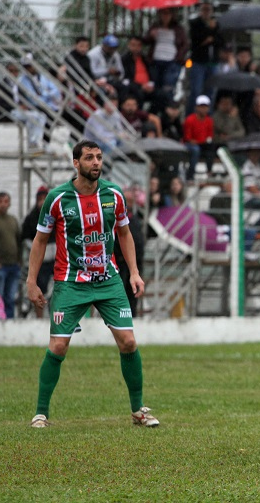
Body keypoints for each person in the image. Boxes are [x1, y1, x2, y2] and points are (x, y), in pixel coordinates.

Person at [26, 140, 159, 428]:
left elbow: (124, 234)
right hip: (70, 282)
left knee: (129, 342)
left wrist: (134, 272)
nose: (96, 162)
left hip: (108, 280)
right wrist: (31, 281)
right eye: (89, 158)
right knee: (58, 347)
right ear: (76, 163)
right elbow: (40, 240)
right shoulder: (58, 198)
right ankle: (40, 412)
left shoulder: (114, 195)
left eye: (99, 157)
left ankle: (138, 411)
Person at [0, 192, 21, 319]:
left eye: (6, 201)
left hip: (13, 266)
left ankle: (10, 324)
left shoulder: (13, 220)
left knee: (10, 298)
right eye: (0, 201)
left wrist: (19, 260)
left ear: (9, 203)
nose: (3, 204)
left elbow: (18, 240)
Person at [22, 186, 55, 318]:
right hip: (41, 261)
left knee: (57, 290)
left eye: (45, 199)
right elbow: (26, 238)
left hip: (56, 259)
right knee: (40, 289)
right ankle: (39, 317)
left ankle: (56, 317)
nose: (42, 202)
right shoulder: (31, 218)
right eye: (40, 199)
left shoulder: (56, 217)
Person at [143, 8, 189, 100]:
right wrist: (151, 36)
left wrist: (179, 57)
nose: (165, 16)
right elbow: (145, 41)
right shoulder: (155, 27)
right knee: (155, 85)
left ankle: (167, 107)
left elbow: (185, 44)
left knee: (168, 86)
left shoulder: (178, 28)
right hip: (156, 60)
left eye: (168, 14)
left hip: (171, 61)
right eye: (163, 14)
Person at [113, 185, 145, 317]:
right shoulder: (117, 219)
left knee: (132, 293)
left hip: (134, 264)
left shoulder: (135, 218)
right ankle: (118, 319)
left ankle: (132, 317)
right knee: (120, 294)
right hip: (120, 262)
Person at [187, 2, 221, 115]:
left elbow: (220, 41)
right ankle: (192, 117)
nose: (206, 12)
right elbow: (197, 40)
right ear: (200, 10)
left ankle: (207, 118)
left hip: (213, 63)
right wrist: (210, 31)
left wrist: (210, 37)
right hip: (198, 62)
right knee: (196, 91)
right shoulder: (195, 23)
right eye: (204, 9)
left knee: (211, 92)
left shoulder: (216, 24)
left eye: (208, 9)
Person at [183, 95, 215, 180]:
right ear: (196, 107)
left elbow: (210, 136)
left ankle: (209, 172)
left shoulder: (209, 121)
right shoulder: (190, 120)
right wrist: (202, 141)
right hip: (190, 145)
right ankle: (190, 175)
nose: (203, 109)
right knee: (196, 150)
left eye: (205, 107)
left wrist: (206, 141)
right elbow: (188, 138)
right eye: (201, 106)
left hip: (203, 144)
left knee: (211, 150)